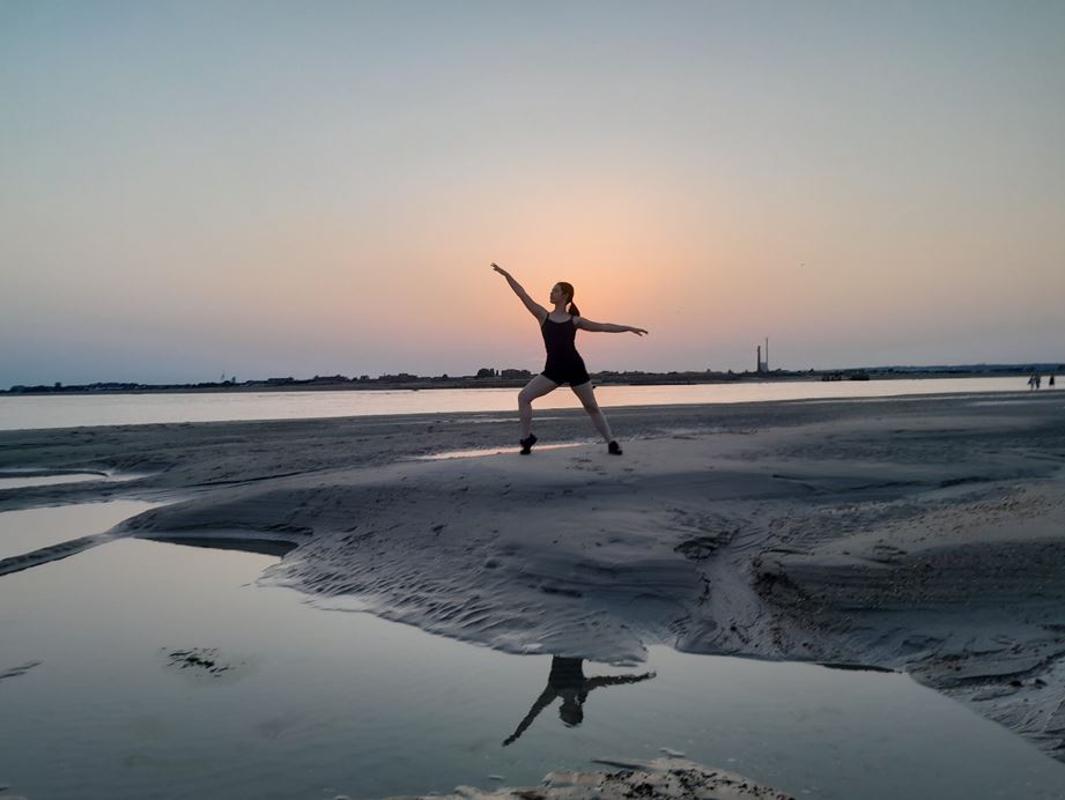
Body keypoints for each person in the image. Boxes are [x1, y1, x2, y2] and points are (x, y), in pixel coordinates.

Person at [492, 263, 648, 455]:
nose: (551, 293)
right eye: (551, 290)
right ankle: (526, 440)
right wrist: (506, 274)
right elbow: (522, 294)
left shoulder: (575, 320)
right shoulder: (543, 316)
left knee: (591, 407)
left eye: (555, 291)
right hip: (553, 370)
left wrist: (628, 328)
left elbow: (603, 326)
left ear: (564, 295)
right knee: (524, 397)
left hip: (575, 368)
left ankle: (611, 442)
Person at [502, 657, 655, 746]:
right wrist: (517, 734)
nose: (560, 714)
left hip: (567, 645)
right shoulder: (560, 690)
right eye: (564, 716)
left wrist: (639, 678)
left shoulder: (574, 689)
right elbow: (532, 714)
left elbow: (614, 680)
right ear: (573, 710)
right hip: (565, 646)